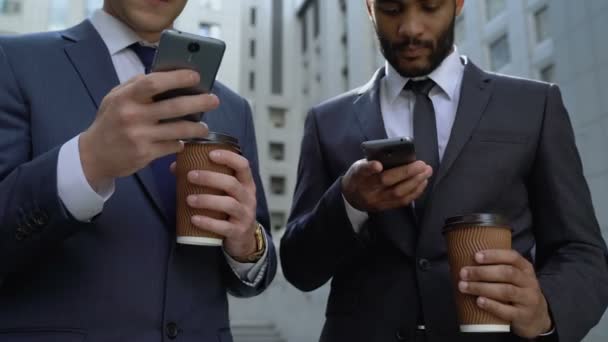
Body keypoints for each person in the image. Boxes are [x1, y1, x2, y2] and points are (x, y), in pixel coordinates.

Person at [280, 0, 608, 341]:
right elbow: (298, 267)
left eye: (430, 6)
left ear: (457, 4)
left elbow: (582, 252)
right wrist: (349, 203)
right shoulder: (327, 121)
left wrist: (545, 310)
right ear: (369, 7)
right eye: (392, 9)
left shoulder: (534, 105)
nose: (410, 28)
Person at [0, 1, 276, 341]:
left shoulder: (233, 109)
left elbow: (256, 264)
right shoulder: (12, 61)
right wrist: (87, 162)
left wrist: (247, 245)